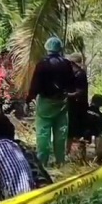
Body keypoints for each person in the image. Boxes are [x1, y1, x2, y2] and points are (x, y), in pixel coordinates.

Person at [26, 36, 75, 166]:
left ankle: (43, 161)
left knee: (43, 132)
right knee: (61, 132)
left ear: (47, 47)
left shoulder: (42, 64)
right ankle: (60, 161)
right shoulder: (66, 64)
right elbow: (72, 84)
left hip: (45, 102)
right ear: (60, 48)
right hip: (62, 102)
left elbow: (35, 85)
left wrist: (29, 99)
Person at [65, 53, 89, 155]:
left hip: (79, 106)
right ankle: (68, 151)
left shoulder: (80, 74)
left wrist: (67, 95)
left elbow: (80, 92)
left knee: (78, 130)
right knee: (70, 130)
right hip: (73, 106)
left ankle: (77, 153)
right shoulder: (72, 74)